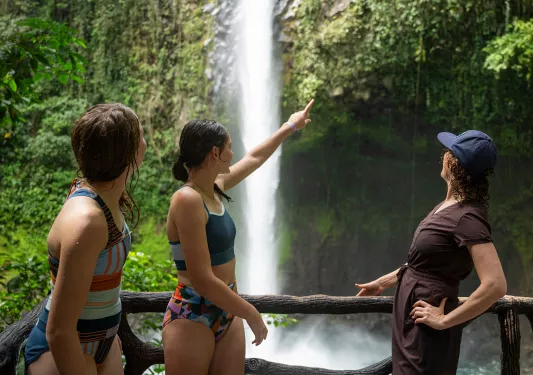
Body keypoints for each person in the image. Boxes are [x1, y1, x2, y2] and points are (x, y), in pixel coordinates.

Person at [162, 99, 314, 374]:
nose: (233, 153)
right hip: (194, 309)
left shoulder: (214, 188)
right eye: (229, 147)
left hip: (228, 308)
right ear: (214, 154)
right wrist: (251, 312)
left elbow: (255, 158)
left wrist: (290, 125)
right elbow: (201, 278)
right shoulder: (187, 199)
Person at [355, 130, 507, 374]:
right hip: (413, 322)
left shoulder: (467, 217)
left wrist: (444, 320)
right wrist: (384, 282)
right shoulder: (449, 206)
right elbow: (425, 265)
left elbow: (496, 285)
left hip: (427, 329)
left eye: (448, 150)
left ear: (453, 162)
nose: (444, 154)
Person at [24, 103, 147, 375]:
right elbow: (59, 330)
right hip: (63, 349)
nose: (144, 141)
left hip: (102, 344)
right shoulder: (88, 221)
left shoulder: (104, 196)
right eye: (140, 134)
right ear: (129, 152)